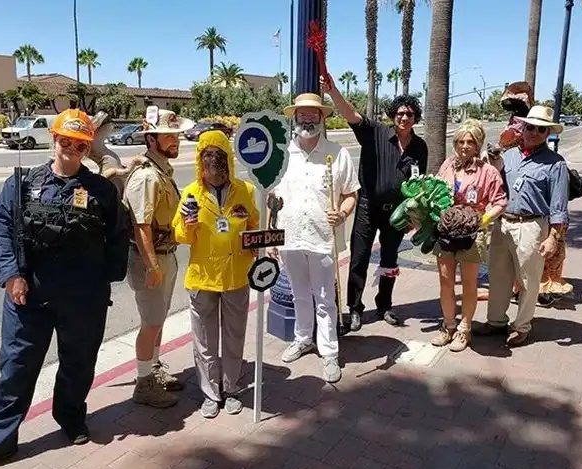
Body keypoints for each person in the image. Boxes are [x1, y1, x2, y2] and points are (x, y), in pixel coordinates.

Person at [0, 109, 129, 469]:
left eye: (80, 144)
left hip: (83, 300)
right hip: (28, 297)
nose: (71, 149)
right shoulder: (22, 183)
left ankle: (70, 418)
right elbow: (3, 228)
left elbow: (119, 235)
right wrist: (11, 275)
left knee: (78, 365)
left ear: (87, 148)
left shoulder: (100, 190)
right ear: (53, 139)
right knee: (16, 369)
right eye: (65, 140)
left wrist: (105, 279)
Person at [321, 72, 428, 331]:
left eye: (409, 114)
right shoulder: (375, 132)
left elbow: (419, 185)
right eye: (400, 113)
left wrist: (413, 217)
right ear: (393, 115)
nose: (404, 118)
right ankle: (354, 308)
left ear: (415, 117)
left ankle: (385, 305)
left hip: (397, 213)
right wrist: (333, 91)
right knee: (359, 259)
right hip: (367, 208)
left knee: (390, 260)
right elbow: (350, 113)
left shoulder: (420, 147)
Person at [268, 93, 359, 383]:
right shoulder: (282, 155)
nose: (306, 120)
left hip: (322, 238)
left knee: (324, 299)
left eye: (312, 114)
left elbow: (351, 193)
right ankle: (303, 338)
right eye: (302, 115)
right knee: (298, 294)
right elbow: (272, 200)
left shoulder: (337, 154)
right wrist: (272, 237)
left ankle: (329, 351)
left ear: (322, 118)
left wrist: (342, 213)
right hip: (290, 237)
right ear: (294, 118)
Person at [173, 130, 259, 418]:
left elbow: (253, 225)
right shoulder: (191, 193)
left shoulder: (245, 191)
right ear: (201, 165)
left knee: (234, 336)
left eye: (220, 172)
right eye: (209, 170)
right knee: (205, 341)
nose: (215, 176)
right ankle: (211, 394)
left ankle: (231, 388)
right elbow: (180, 236)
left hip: (236, 276)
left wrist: (258, 246)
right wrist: (187, 225)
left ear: (229, 165)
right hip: (202, 278)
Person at [473, 106, 569, 347]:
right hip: (503, 223)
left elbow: (558, 205)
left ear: (548, 133)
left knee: (528, 280)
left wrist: (553, 237)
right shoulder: (509, 156)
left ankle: (522, 326)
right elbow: (494, 183)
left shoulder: (555, 163)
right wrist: (492, 159)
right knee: (498, 276)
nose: (534, 132)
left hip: (532, 226)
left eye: (541, 129)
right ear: (522, 128)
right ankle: (496, 321)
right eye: (530, 127)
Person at [124, 108, 194, 408]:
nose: (175, 140)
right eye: (168, 136)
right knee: (151, 322)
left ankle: (152, 370)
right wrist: (152, 266)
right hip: (150, 260)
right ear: (151, 139)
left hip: (165, 254)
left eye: (176, 135)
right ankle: (143, 385)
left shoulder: (161, 170)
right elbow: (140, 226)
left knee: (159, 319)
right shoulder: (146, 176)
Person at [430, 119, 507, 352]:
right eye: (460, 141)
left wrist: (482, 221)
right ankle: (448, 326)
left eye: (470, 142)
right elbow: (436, 191)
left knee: (469, 283)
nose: (464, 146)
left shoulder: (487, 172)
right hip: (446, 232)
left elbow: (500, 202)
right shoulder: (447, 165)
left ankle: (464, 329)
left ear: (478, 144)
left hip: (472, 234)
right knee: (445, 281)